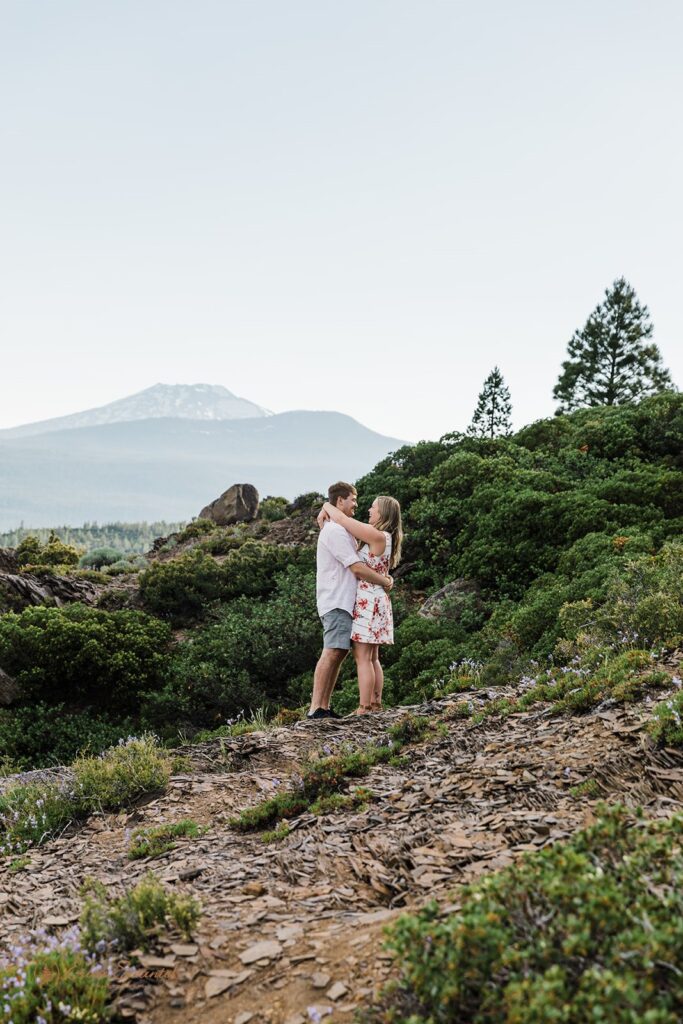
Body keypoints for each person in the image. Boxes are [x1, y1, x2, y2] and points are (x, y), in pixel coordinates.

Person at [309, 482, 394, 720]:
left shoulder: (352, 530)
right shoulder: (336, 530)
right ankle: (318, 707)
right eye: (353, 500)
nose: (361, 506)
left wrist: (326, 507)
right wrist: (386, 581)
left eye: (372, 507)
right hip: (338, 600)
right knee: (336, 651)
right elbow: (356, 567)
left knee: (350, 654)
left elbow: (349, 528)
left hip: (356, 601)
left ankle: (326, 707)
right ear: (340, 502)